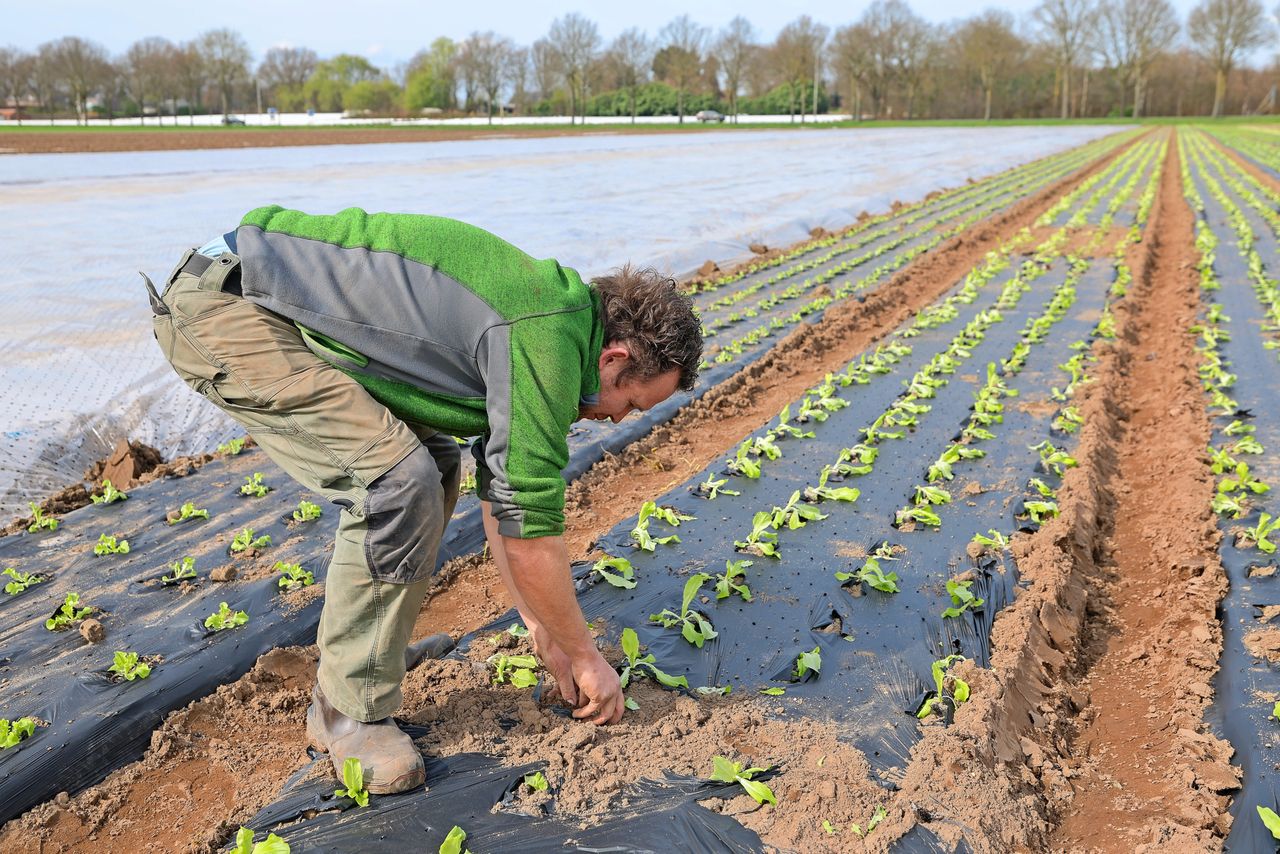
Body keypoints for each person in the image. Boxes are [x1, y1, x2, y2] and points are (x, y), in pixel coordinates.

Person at [146, 205, 702, 794]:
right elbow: (531, 535)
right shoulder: (545, 338)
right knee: (396, 482)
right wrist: (587, 657)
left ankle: (370, 657)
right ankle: (346, 712)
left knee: (432, 467)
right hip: (227, 307)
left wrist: (544, 626)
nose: (617, 419)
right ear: (615, 357)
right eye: (631, 403)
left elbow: (504, 501)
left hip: (251, 288)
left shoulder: (557, 325)